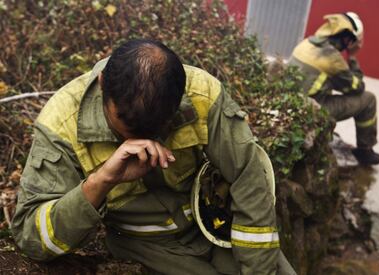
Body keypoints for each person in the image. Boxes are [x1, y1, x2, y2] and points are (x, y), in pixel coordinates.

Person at [11, 39, 295, 274]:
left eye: (157, 129)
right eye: (123, 127)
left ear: (179, 99)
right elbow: (32, 239)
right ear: (102, 84)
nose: (140, 143)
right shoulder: (61, 123)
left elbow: (249, 177)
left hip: (214, 229)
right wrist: (102, 180)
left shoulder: (202, 94)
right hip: (147, 246)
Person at [289, 12, 379, 165]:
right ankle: (365, 150)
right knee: (368, 99)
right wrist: (352, 57)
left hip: (291, 103)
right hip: (312, 109)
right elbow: (356, 87)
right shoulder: (332, 58)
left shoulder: (307, 43)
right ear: (348, 40)